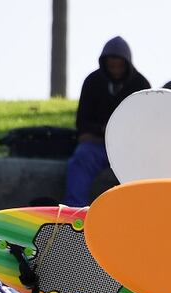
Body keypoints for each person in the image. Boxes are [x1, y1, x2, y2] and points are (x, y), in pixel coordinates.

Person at [63, 36, 150, 207]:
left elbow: (147, 125)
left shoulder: (141, 85)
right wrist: (102, 130)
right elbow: (82, 122)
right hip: (96, 145)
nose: (116, 70)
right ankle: (74, 212)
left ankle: (139, 213)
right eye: (112, 66)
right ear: (104, 63)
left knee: (144, 168)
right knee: (80, 159)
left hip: (129, 148)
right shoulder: (92, 82)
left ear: (127, 64)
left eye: (120, 66)